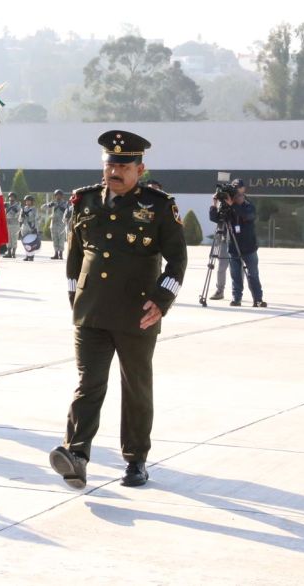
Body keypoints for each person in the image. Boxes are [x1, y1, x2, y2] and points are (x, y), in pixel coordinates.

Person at [50, 129, 187, 490]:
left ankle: (136, 460)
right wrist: (74, 299)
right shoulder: (85, 201)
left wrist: (161, 302)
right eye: (110, 164)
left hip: (136, 313)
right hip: (91, 311)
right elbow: (75, 257)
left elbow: (178, 261)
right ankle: (76, 454)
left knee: (136, 387)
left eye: (124, 166)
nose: (115, 171)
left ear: (139, 169)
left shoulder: (159, 206)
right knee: (88, 383)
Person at [210, 178, 266, 308]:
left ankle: (258, 299)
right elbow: (215, 218)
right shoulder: (229, 208)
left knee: (253, 275)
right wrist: (214, 204)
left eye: (238, 196)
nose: (236, 198)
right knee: (235, 275)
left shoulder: (248, 206)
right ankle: (236, 299)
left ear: (243, 196)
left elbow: (247, 216)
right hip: (233, 247)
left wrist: (233, 205)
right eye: (235, 196)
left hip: (249, 248)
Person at [43, 189, 69, 260]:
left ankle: (61, 253)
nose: (58, 196)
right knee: (55, 239)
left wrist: (62, 208)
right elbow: (43, 207)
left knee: (61, 239)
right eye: (57, 195)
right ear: (55, 196)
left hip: (61, 224)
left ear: (62, 196)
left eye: (60, 195)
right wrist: (49, 205)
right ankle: (56, 253)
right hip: (54, 223)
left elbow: (68, 211)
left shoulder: (65, 203)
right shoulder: (53, 203)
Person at [18, 194, 39, 262]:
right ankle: (27, 255)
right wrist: (22, 215)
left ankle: (31, 256)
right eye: (26, 201)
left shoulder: (34, 209)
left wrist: (36, 228)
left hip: (31, 227)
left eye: (29, 201)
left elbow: (37, 219)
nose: (27, 202)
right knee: (25, 242)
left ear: (32, 201)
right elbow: (20, 220)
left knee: (31, 242)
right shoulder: (23, 209)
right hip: (24, 227)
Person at [3, 192, 20, 258]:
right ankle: (9, 252)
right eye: (10, 196)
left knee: (14, 239)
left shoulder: (17, 205)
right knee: (8, 239)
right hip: (7, 223)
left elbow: (19, 214)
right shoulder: (6, 204)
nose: (11, 198)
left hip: (15, 224)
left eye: (12, 196)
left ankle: (14, 253)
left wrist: (15, 211)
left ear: (15, 198)